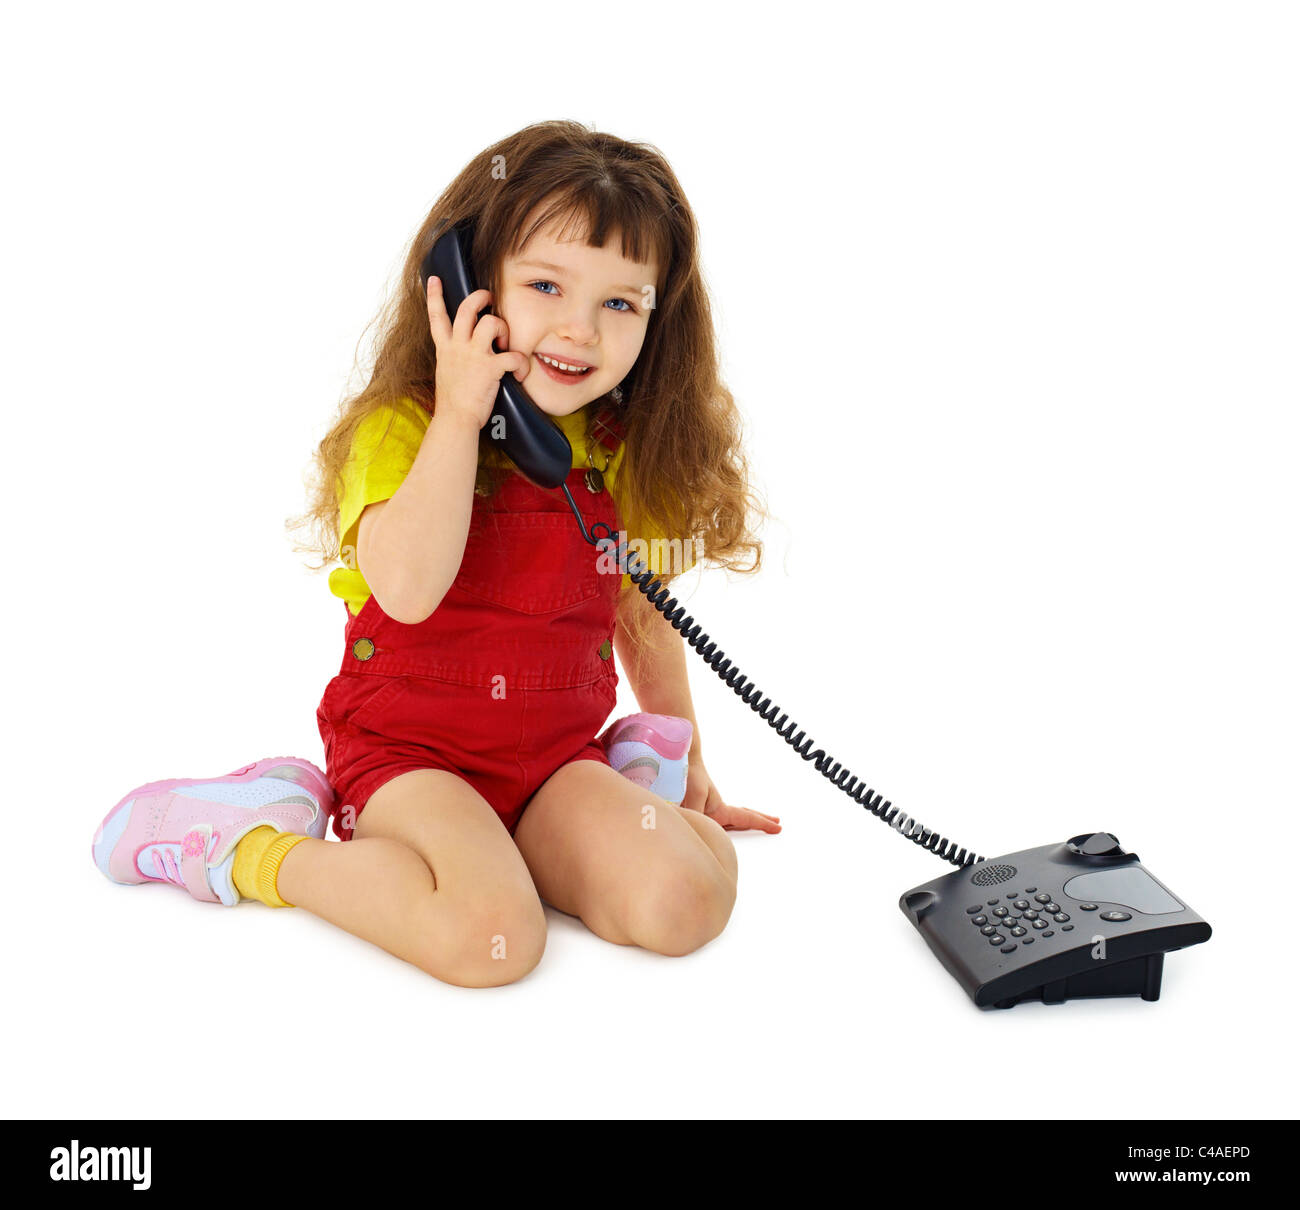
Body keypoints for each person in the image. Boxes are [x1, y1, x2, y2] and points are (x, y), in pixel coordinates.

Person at [93, 119, 780, 988]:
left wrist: (696, 766)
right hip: (413, 755)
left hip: (554, 758)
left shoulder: (617, 448)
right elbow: (409, 592)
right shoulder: (404, 432)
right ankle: (247, 844)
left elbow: (641, 609)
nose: (580, 330)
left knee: (685, 902)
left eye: (619, 302)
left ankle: (615, 781)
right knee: (488, 942)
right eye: (543, 285)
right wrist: (462, 414)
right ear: (465, 285)